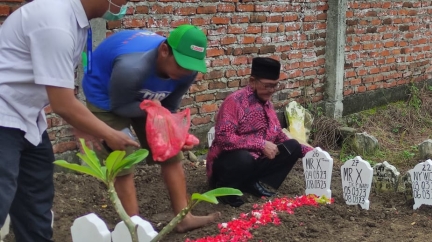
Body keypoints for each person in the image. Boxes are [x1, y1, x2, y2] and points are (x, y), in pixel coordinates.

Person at [0, 0, 139, 241]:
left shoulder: (74, 22)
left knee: (35, 203)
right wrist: (109, 133)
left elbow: (58, 84)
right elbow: (63, 103)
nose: (123, 5)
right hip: (4, 118)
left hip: (28, 118)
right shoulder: (56, 23)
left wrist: (81, 125)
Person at [80, 24, 220, 232]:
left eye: (190, 66)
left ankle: (184, 218)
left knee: (171, 151)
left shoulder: (188, 72)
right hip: (107, 97)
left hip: (146, 98)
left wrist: (173, 132)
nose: (185, 72)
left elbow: (170, 106)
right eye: (181, 64)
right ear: (164, 51)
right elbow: (119, 106)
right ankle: (134, 227)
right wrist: (154, 111)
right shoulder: (132, 68)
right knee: (123, 155)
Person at [206, 57, 314, 207]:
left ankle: (250, 183)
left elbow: (278, 135)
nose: (271, 91)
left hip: (254, 161)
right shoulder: (235, 102)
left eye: (274, 86)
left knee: (292, 146)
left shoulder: (267, 104)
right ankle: (226, 189)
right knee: (244, 158)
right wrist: (261, 144)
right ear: (252, 81)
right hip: (228, 164)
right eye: (267, 86)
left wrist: (312, 152)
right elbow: (224, 138)